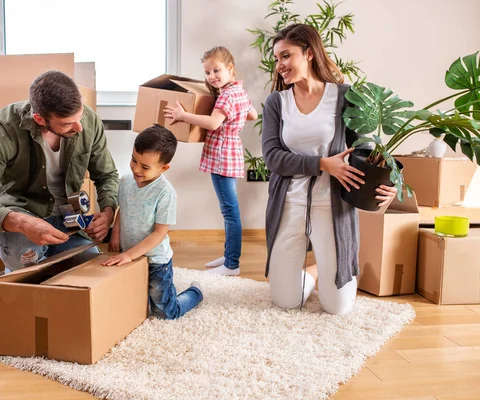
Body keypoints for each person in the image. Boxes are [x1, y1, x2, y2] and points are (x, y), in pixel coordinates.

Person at [262, 24, 397, 315]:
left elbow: (364, 149)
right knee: (286, 301)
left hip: (331, 206)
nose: (280, 65)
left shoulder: (345, 96)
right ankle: (313, 271)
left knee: (337, 308)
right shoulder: (277, 102)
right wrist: (322, 164)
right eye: (276, 59)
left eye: (286, 56)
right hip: (289, 204)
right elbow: (272, 157)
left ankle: (328, 268)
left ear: (309, 53)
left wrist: (387, 184)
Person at [0, 70, 119, 273]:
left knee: (90, 272)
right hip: (20, 214)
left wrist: (108, 212)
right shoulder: (5, 127)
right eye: (67, 124)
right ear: (40, 119)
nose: (79, 128)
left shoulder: (89, 121)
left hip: (67, 218)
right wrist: (23, 223)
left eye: (80, 116)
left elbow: (107, 175)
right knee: (29, 267)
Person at [164, 46, 258, 276]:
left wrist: (183, 116)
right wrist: (234, 117)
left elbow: (214, 123)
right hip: (231, 152)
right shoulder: (238, 91)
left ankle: (232, 264)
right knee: (229, 210)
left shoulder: (226, 95)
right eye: (207, 73)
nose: (211, 77)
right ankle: (229, 255)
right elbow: (253, 114)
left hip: (222, 156)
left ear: (230, 68)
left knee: (230, 212)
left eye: (216, 70)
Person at [101, 125, 203, 319]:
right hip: (130, 256)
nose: (136, 169)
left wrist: (129, 255)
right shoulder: (125, 181)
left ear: (163, 168)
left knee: (165, 313)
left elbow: (159, 233)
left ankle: (195, 293)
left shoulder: (165, 193)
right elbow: (123, 209)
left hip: (157, 262)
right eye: (133, 160)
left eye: (145, 167)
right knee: (133, 304)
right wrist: (115, 235)